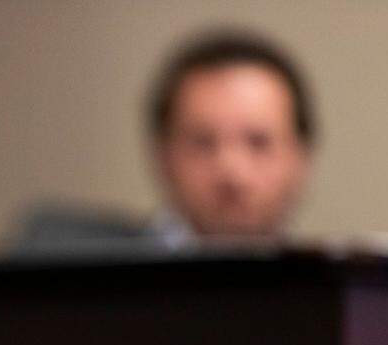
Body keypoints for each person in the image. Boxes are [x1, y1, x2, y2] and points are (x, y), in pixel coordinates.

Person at [21, 29, 315, 247]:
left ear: (301, 156)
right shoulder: (68, 266)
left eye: (258, 142)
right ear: (162, 155)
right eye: (202, 142)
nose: (232, 171)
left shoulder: (338, 300)